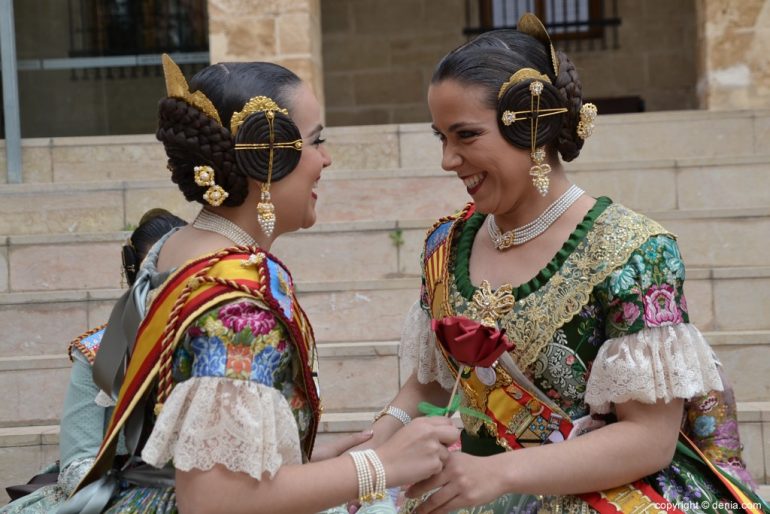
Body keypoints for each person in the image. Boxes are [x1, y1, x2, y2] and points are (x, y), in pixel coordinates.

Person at [362, 13, 768, 514]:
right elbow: (426, 384)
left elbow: (648, 439)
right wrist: (369, 456)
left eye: (465, 136)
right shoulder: (445, 245)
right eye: (440, 137)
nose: (448, 159)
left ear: (533, 127)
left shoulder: (631, 250)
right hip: (469, 490)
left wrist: (497, 474)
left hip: (601, 497)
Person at [54, 55, 458, 514]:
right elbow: (213, 500)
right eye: (316, 140)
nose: (325, 159)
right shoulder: (235, 306)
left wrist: (306, 469)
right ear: (267, 157)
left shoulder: (177, 249)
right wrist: (378, 465)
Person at [1, 209, 187, 513]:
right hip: (115, 494)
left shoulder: (216, 336)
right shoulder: (101, 350)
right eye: (156, 277)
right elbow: (77, 463)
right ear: (135, 276)